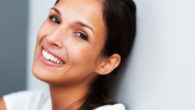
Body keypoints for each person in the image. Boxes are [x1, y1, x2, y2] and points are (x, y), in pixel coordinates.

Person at [0, 0, 136, 109]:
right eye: (55, 19)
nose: (52, 38)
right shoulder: (33, 103)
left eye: (80, 35)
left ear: (106, 64)